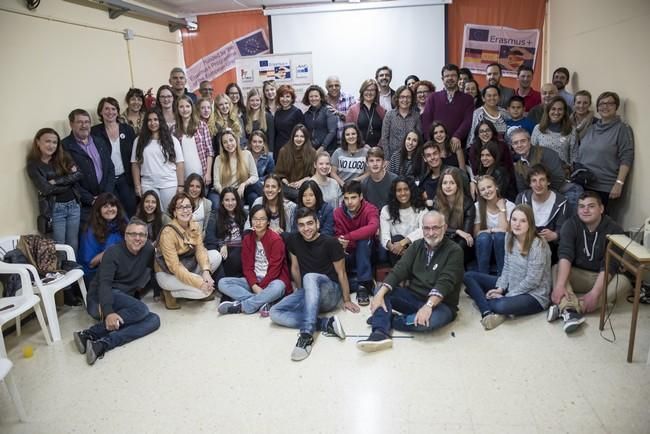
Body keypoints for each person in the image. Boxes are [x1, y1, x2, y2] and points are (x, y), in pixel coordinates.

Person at [357, 211, 463, 352]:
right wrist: (380, 294)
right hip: (414, 297)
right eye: (426, 228)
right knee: (381, 291)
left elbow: (445, 282)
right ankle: (380, 333)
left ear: (444, 227)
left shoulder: (454, 250)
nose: (431, 233)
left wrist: (429, 306)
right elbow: (399, 270)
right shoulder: (416, 245)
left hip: (441, 305)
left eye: (435, 228)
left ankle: (389, 319)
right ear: (422, 229)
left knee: (428, 323)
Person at [270, 207, 360, 362]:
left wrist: (346, 300)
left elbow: (341, 273)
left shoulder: (331, 242)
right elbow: (295, 267)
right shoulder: (293, 240)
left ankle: (306, 335)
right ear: (297, 227)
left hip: (330, 293)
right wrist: (301, 293)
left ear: (318, 223)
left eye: (310, 223)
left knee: (310, 276)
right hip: (308, 290)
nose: (306, 228)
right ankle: (326, 323)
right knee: (275, 312)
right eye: (302, 225)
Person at [73, 217, 160, 366]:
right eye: (133, 234)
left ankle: (99, 343)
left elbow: (153, 271)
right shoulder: (113, 252)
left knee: (154, 320)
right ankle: (90, 333)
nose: (138, 238)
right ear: (125, 235)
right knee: (141, 310)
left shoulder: (148, 250)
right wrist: (109, 312)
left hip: (124, 297)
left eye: (142, 235)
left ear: (146, 237)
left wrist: (157, 293)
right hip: (100, 297)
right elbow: (104, 284)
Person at [548, 191, 631, 333]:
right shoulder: (570, 224)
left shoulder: (615, 229)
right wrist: (561, 285)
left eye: (591, 206)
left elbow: (610, 264)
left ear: (601, 209)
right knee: (556, 268)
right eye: (581, 206)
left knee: (623, 282)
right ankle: (569, 308)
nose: (585, 210)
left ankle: (569, 309)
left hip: (601, 277)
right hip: (578, 274)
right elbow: (565, 255)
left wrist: (595, 293)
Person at [463, 204, 551, 330]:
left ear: (530, 224)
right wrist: (500, 289)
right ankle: (487, 311)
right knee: (468, 276)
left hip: (534, 295)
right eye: (514, 220)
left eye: (522, 221)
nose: (517, 224)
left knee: (501, 305)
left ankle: (483, 301)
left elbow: (533, 280)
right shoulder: (509, 237)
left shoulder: (538, 245)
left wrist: (507, 295)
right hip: (511, 284)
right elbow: (507, 267)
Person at [218, 205, 291, 315]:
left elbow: (275, 270)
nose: (258, 222)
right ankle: (264, 301)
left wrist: (260, 287)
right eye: (255, 219)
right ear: (251, 220)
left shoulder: (276, 240)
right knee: (222, 283)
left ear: (268, 222)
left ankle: (243, 306)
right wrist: (254, 285)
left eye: (262, 219)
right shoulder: (248, 239)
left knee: (279, 287)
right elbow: (247, 267)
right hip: (254, 280)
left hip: (272, 280)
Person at [155, 192, 221, 310]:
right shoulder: (168, 233)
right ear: (174, 212)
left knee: (216, 255)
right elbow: (175, 267)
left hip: (188, 264)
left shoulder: (194, 225)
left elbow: (200, 250)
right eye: (180, 207)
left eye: (188, 206)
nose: (185, 210)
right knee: (203, 292)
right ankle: (170, 293)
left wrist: (206, 271)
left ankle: (190, 287)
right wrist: (199, 283)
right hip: (167, 273)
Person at [27, 127, 82, 253]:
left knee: (73, 243)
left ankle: (74, 270)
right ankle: (61, 271)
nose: (51, 145)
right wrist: (69, 179)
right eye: (47, 141)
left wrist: (57, 181)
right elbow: (46, 189)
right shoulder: (33, 165)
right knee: (58, 245)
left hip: (74, 205)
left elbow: (79, 174)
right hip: (55, 209)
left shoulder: (63, 157)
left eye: (54, 142)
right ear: (38, 142)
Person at [575, 91, 634, 208]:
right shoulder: (592, 128)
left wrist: (619, 183)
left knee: (598, 223)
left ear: (616, 106)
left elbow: (626, 157)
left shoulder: (622, 129)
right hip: (583, 183)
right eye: (601, 104)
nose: (605, 107)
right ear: (597, 108)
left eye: (610, 103)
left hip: (604, 187)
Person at [62, 109, 115, 229]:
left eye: (87, 122)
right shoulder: (65, 146)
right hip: (83, 205)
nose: (84, 125)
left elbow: (110, 169)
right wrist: (90, 199)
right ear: (71, 124)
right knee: (88, 238)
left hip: (105, 200)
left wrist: (106, 195)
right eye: (79, 122)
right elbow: (68, 179)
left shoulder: (100, 141)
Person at [333, 180, 379, 306]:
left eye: (353, 197)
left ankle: (363, 284)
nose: (349, 202)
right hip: (347, 253)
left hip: (367, 252)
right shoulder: (337, 213)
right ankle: (362, 281)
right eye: (346, 198)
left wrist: (349, 237)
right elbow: (338, 235)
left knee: (363, 240)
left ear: (361, 197)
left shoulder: (370, 209)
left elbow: (373, 227)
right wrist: (340, 240)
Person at [131, 109, 185, 210]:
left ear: (161, 121)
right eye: (149, 120)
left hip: (169, 184)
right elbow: (135, 164)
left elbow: (180, 164)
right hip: (148, 184)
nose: (153, 123)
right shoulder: (138, 141)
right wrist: (137, 185)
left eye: (156, 119)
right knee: (151, 215)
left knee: (169, 214)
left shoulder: (172, 140)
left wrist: (181, 186)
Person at [91, 97, 137, 217]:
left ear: (117, 111)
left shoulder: (127, 130)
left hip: (126, 178)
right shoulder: (94, 132)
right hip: (107, 180)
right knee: (112, 212)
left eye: (113, 109)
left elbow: (135, 155)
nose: (110, 112)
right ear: (100, 111)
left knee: (131, 209)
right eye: (106, 109)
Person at [515, 164, 569, 260]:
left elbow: (564, 228)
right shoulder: (522, 198)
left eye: (542, 180)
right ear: (530, 184)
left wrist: (555, 235)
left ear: (548, 182)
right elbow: (516, 223)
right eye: (534, 181)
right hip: (525, 241)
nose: (538, 184)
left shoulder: (561, 202)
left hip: (550, 246)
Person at [421, 64, 474, 148]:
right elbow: (426, 121)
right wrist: (430, 141)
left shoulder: (468, 99)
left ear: (458, 78)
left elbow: (468, 121)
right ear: (442, 79)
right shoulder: (433, 97)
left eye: (453, 75)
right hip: (435, 146)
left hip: (457, 145)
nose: (450, 78)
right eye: (447, 76)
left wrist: (457, 136)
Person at [79, 192, 127, 283]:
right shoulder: (90, 231)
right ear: (98, 210)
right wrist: (111, 251)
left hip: (120, 266)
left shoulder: (123, 222)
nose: (110, 209)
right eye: (105, 207)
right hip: (98, 274)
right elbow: (91, 263)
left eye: (112, 205)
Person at [474, 175, 515, 275]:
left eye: (489, 187)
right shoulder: (477, 207)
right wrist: (491, 230)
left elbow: (506, 230)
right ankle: (483, 276)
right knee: (484, 237)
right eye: (483, 189)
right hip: (484, 248)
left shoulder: (509, 206)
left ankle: (502, 277)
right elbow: (476, 233)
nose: (487, 191)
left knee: (500, 237)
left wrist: (502, 209)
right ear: (480, 193)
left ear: (496, 187)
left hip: (503, 249)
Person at [380, 177, 426, 266]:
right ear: (394, 193)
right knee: (396, 238)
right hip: (394, 250)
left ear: (411, 191)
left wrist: (403, 242)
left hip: (415, 248)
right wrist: (393, 248)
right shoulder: (386, 210)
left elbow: (423, 230)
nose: (403, 193)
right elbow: (384, 236)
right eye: (399, 190)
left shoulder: (421, 209)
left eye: (406, 189)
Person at [433, 168, 475, 262]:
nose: (448, 186)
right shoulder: (437, 201)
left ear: (458, 185)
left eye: (452, 183)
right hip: (441, 242)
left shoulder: (467, 204)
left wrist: (452, 253)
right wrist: (456, 231)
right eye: (445, 183)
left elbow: (466, 235)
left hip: (461, 247)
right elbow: (436, 227)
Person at [204, 187, 246, 278]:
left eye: (233, 199)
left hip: (241, 251)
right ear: (222, 201)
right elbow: (209, 238)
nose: (230, 203)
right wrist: (222, 244)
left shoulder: (243, 214)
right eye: (227, 200)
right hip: (225, 254)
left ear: (237, 201)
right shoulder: (215, 216)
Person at [173, 95, 214, 184]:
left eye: (187, 106)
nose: (185, 109)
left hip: (202, 174)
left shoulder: (202, 125)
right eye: (181, 107)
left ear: (192, 107)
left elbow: (209, 152)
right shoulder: (173, 129)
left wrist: (208, 173)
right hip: (183, 177)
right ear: (177, 109)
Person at [212, 130, 259, 206]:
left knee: (256, 188)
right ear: (222, 145)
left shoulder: (247, 154)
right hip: (222, 190)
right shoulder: (219, 159)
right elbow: (216, 183)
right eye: (225, 142)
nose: (229, 144)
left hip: (238, 190)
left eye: (231, 140)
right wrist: (226, 195)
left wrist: (244, 184)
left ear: (236, 140)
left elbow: (255, 176)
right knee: (216, 204)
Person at [531, 96, 577, 167]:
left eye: (560, 109)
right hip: (541, 173)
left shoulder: (571, 130)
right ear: (548, 110)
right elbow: (532, 153)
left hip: (562, 173)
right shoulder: (538, 128)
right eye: (553, 109)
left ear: (564, 112)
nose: (556, 112)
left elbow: (574, 156)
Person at [274, 124, 316, 202]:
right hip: (286, 186)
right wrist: (287, 182)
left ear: (306, 138)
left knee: (301, 194)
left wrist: (301, 182)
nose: (299, 139)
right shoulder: (284, 151)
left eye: (302, 136)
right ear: (292, 137)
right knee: (296, 194)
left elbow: (313, 174)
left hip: (305, 185)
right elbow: (278, 174)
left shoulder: (312, 152)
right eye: (296, 136)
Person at [380, 85, 421, 162]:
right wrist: (387, 159)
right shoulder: (389, 115)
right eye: (402, 97)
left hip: (411, 158)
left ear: (412, 99)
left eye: (408, 97)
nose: (405, 100)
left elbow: (419, 138)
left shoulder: (416, 116)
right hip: (393, 158)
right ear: (397, 98)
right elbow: (384, 138)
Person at [345, 79, 386, 147]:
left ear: (376, 92)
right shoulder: (352, 110)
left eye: (372, 90)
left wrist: (378, 147)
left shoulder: (382, 110)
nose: (369, 93)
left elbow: (385, 133)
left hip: (378, 151)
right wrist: (361, 146)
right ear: (362, 91)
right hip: (359, 149)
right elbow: (348, 132)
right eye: (366, 90)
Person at [302, 85, 338, 154]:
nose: (313, 98)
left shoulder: (328, 110)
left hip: (328, 150)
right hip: (312, 151)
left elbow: (332, 131)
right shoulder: (306, 114)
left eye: (316, 96)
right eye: (311, 96)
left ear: (321, 97)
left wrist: (322, 147)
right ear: (308, 98)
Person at [361, 146, 398, 211]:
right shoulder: (364, 183)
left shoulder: (394, 180)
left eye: (378, 160)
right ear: (367, 163)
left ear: (383, 163)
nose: (375, 164)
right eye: (371, 161)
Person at [273, 84, 304, 155]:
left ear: (292, 98)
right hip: (278, 149)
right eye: (282, 97)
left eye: (288, 97)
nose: (284, 99)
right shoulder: (278, 112)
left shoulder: (297, 112)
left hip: (292, 150)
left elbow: (302, 134)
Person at [325, 75, 357, 141]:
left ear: (340, 86)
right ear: (326, 88)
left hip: (348, 141)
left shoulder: (349, 98)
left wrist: (339, 114)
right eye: (330, 86)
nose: (334, 88)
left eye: (336, 85)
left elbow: (355, 120)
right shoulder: (323, 101)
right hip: (329, 144)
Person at [245, 87, 275, 153]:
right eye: (252, 100)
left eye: (257, 100)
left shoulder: (268, 117)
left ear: (261, 101)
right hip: (250, 154)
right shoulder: (245, 117)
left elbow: (271, 138)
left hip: (265, 154)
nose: (255, 103)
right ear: (248, 101)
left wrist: (270, 154)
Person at [249, 130, 275, 196]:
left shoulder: (269, 157)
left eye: (260, 142)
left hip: (261, 187)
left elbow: (271, 175)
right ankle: (276, 199)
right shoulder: (245, 155)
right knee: (254, 182)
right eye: (254, 142)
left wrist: (260, 180)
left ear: (263, 144)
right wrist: (256, 180)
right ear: (250, 143)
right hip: (247, 187)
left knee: (253, 197)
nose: (257, 144)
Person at [225, 83, 248, 148]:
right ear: (227, 95)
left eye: (236, 93)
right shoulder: (224, 112)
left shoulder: (245, 111)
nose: (234, 95)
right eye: (231, 93)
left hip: (244, 147)